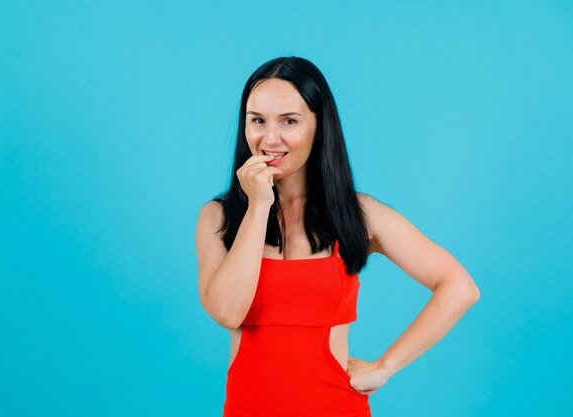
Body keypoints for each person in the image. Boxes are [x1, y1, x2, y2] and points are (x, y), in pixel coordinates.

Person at [195, 56, 480, 417]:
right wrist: (258, 207)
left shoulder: (357, 215)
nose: (269, 138)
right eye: (257, 121)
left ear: (320, 127)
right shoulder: (218, 218)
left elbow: (459, 286)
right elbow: (227, 312)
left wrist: (384, 367)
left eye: (289, 121)